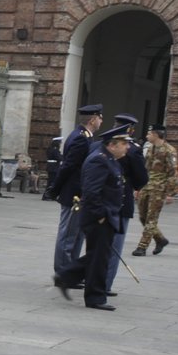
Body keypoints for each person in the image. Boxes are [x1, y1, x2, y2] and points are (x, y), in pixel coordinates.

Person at [55, 125, 132, 311]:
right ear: (112, 145)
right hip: (99, 217)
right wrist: (100, 216)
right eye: (124, 144)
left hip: (107, 215)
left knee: (97, 256)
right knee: (99, 258)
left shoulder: (110, 159)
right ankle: (94, 297)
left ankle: (67, 277)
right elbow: (91, 192)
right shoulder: (99, 161)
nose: (127, 147)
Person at [48, 103, 102, 279]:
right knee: (68, 235)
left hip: (79, 192)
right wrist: (54, 189)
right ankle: (63, 273)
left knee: (76, 234)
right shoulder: (81, 138)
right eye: (100, 117)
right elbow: (69, 166)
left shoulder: (83, 136)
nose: (101, 121)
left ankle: (70, 270)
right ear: (93, 119)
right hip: (74, 193)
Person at [102, 113, 149, 295]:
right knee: (115, 246)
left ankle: (91, 279)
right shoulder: (134, 150)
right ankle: (104, 284)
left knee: (98, 245)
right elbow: (141, 179)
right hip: (121, 202)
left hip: (100, 201)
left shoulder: (101, 145)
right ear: (130, 129)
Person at [134, 123, 178, 256]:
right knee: (142, 217)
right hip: (147, 186)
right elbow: (145, 169)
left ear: (156, 135)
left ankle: (142, 247)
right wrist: (138, 187)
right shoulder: (150, 149)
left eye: (149, 134)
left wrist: (171, 193)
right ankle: (160, 239)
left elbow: (173, 172)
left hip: (159, 189)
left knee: (151, 218)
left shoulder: (169, 151)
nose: (147, 136)